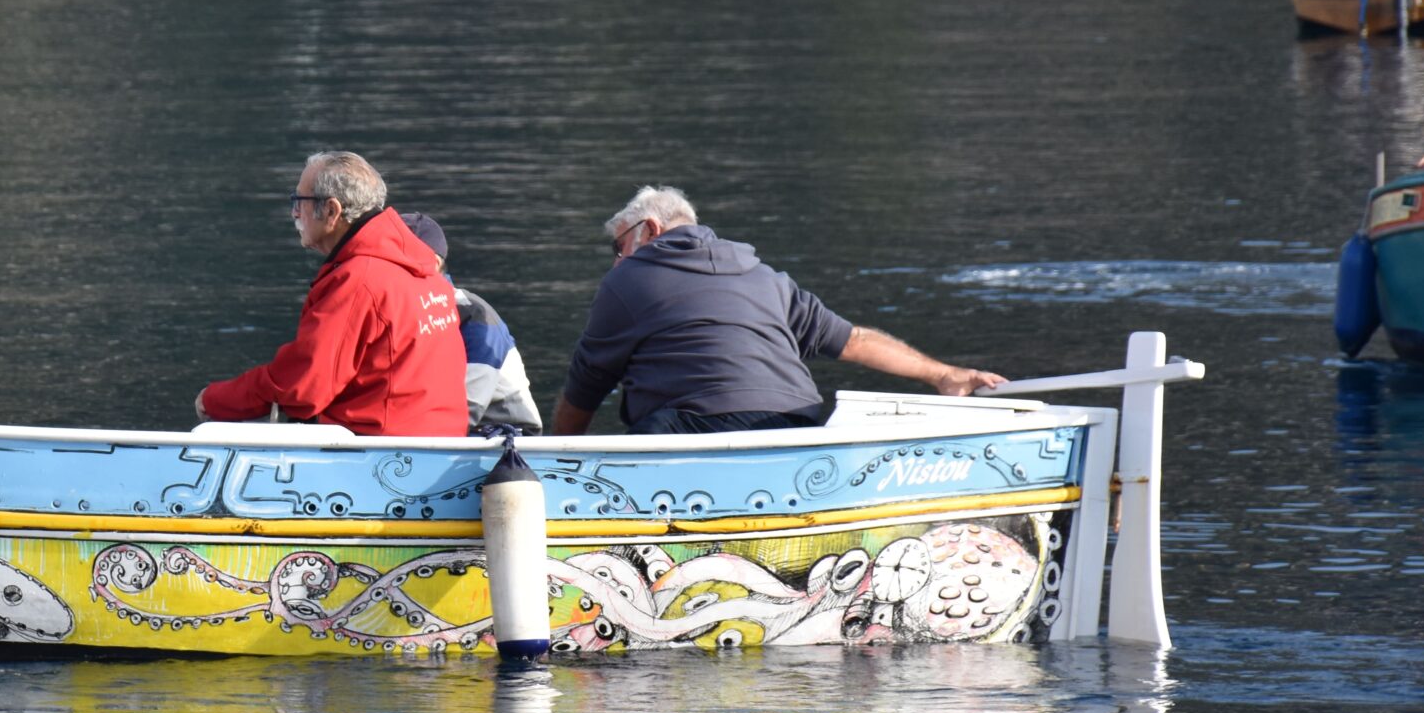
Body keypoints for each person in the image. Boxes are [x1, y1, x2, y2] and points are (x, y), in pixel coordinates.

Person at [546, 186, 1006, 437]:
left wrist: (557, 458)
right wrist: (944, 374)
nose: (617, 261)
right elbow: (854, 341)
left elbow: (588, 383)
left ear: (650, 230)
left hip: (694, 428)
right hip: (794, 424)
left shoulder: (629, 277)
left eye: (619, 246)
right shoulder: (764, 275)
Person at [196, 152, 468, 436]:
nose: (294, 213)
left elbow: (302, 386)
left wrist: (214, 400)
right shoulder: (426, 276)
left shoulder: (359, 280)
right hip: (439, 445)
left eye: (299, 201)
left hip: (379, 449)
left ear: (331, 210)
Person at [398, 212, 543, 434]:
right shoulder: (401, 310)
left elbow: (466, 408)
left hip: (504, 437)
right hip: (443, 429)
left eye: (397, 260)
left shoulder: (475, 316)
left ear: (434, 264)